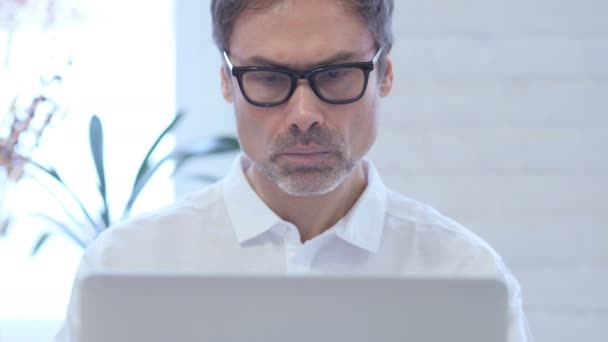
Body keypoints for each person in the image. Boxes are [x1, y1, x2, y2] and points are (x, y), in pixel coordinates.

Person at [55, 0, 534, 341]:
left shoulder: (466, 277)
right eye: (267, 77)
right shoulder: (125, 268)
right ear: (227, 81)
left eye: (335, 74)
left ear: (385, 72)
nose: (304, 113)